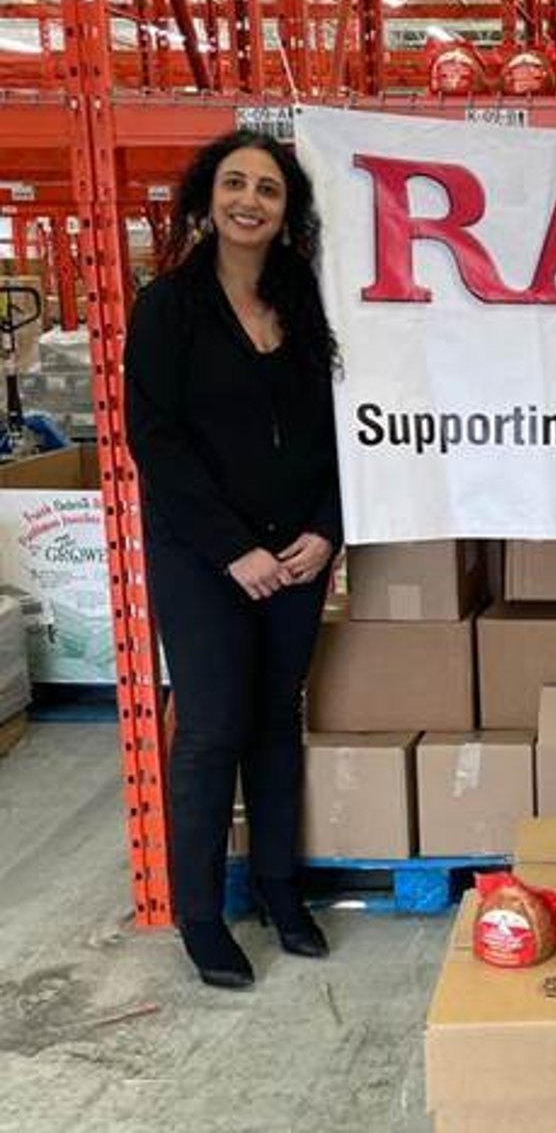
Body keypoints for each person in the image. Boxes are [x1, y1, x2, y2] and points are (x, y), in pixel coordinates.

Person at [125, 130, 342, 989]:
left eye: (269, 189)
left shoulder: (304, 302)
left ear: (288, 211)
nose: (250, 200)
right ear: (206, 197)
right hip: (204, 556)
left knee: (275, 718)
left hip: (299, 552)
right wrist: (233, 549)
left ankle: (280, 889)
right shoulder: (169, 305)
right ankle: (203, 912)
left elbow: (340, 430)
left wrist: (327, 526)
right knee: (213, 727)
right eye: (235, 183)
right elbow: (158, 440)